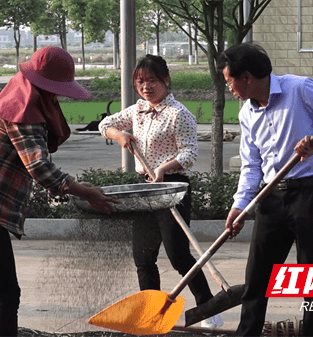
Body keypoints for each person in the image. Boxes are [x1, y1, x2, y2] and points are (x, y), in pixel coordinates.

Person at [0, 46, 118, 337]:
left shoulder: (14, 100)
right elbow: (40, 168)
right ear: (44, 87)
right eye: (56, 91)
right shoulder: (24, 111)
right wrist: (86, 192)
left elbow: (29, 167)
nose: (57, 97)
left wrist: (60, 190)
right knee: (5, 296)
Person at [218, 43, 313, 336]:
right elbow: (251, 165)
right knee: (257, 277)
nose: (229, 87)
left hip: (309, 193)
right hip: (270, 198)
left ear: (246, 77)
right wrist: (240, 205)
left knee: (312, 277)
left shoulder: (299, 89)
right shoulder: (247, 114)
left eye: (229, 81)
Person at [99, 54, 223, 329]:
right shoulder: (137, 110)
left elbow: (190, 153)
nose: (146, 87)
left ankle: (209, 309)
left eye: (152, 81)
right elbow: (104, 125)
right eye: (141, 82)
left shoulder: (180, 114)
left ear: (165, 80)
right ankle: (151, 313)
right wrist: (120, 135)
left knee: (178, 255)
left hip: (173, 188)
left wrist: (164, 169)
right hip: (145, 189)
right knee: (143, 257)